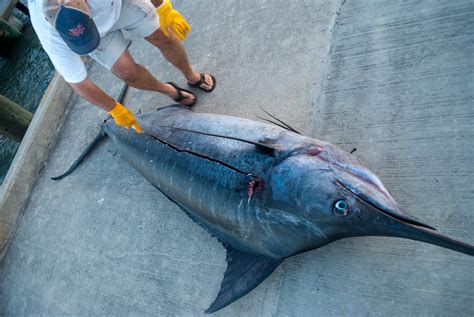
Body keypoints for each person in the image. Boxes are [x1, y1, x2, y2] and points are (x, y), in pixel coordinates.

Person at [29, 0, 216, 133]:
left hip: (118, 5)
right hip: (99, 36)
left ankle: (192, 76)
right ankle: (169, 91)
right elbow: (78, 82)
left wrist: (163, 7)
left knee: (164, 36)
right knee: (127, 72)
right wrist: (114, 109)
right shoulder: (50, 34)